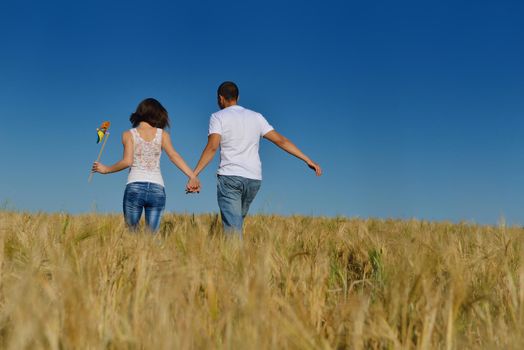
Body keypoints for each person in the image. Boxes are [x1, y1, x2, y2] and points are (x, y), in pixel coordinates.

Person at [190, 81, 322, 237]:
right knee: (236, 224)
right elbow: (281, 140)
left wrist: (194, 174)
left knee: (233, 229)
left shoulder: (217, 117)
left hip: (230, 177)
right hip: (254, 179)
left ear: (220, 98)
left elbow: (212, 147)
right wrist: (307, 159)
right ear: (237, 97)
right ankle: (239, 259)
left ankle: (237, 260)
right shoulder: (256, 117)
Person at [92, 98, 200, 232]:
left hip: (135, 187)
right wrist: (192, 176)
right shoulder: (163, 134)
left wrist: (106, 169)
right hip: (157, 188)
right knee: (152, 239)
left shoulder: (128, 134)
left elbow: (127, 161)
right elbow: (173, 156)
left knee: (132, 235)